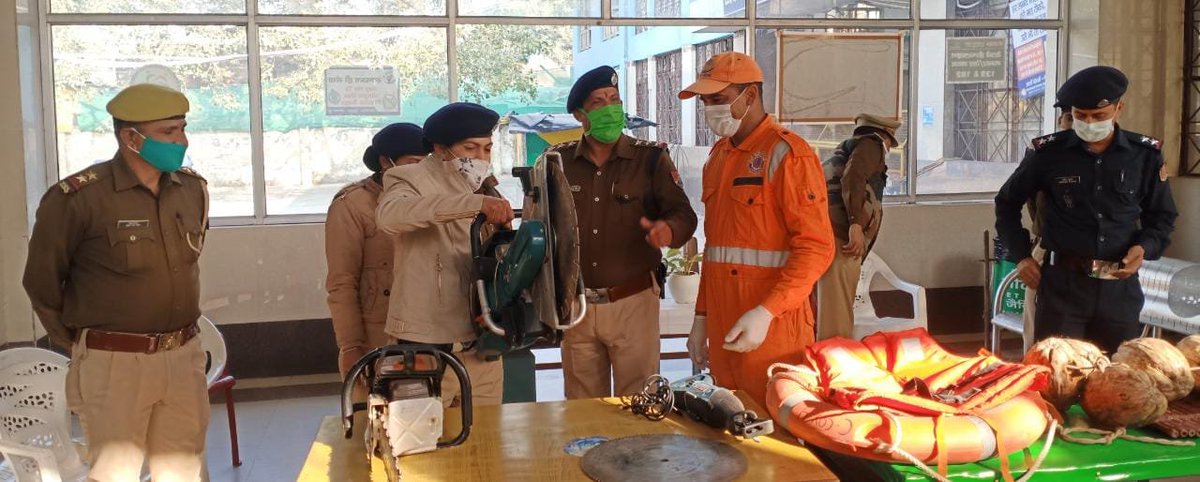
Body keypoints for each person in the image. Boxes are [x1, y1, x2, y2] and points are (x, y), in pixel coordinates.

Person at [23, 83, 210, 481]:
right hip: (115, 364)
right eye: (168, 132)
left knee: (184, 470)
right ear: (130, 137)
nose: (182, 140)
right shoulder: (78, 198)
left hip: (183, 356)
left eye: (182, 128)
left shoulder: (191, 190)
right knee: (115, 472)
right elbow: (41, 282)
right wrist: (86, 343)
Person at [679, 52, 835, 406]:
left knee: (778, 432)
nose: (709, 109)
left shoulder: (789, 154)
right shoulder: (718, 157)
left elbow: (817, 248)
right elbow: (716, 250)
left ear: (749, 96)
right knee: (730, 423)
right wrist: (701, 318)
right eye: (705, 101)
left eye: (717, 99)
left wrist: (766, 312)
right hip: (724, 326)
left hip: (775, 328)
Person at [995, 66, 1178, 355]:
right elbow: (1006, 203)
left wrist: (1144, 247)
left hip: (1119, 287)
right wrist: (1021, 256)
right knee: (1056, 378)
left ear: (1119, 109)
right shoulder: (1050, 154)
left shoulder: (1144, 155)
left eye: (1098, 116)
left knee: (1118, 380)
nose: (1089, 123)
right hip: (1062, 287)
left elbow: (1162, 216)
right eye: (1080, 116)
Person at [545, 66, 698, 399]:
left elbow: (684, 215)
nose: (610, 108)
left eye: (615, 99)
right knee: (584, 407)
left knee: (640, 400)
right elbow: (539, 227)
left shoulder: (651, 159)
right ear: (580, 115)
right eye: (599, 102)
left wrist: (668, 231)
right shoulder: (557, 162)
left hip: (633, 302)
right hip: (578, 305)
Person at [376, 103, 513, 407]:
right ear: (440, 148)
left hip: (483, 344)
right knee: (421, 444)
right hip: (426, 345)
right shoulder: (408, 178)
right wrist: (471, 205)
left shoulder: (488, 188)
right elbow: (391, 216)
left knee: (486, 442)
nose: (481, 158)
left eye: (487, 149)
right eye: (470, 148)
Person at [326, 123, 430, 377]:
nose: (421, 171)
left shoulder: (433, 199)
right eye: (413, 161)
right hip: (378, 336)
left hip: (428, 330)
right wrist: (351, 345)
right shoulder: (352, 206)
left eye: (427, 163)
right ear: (386, 162)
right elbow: (342, 282)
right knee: (378, 413)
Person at [816, 113, 900, 341]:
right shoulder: (872, 145)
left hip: (826, 234)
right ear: (887, 137)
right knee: (836, 316)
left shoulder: (846, 148)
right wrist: (856, 224)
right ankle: (835, 366)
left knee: (825, 311)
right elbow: (854, 177)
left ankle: (823, 363)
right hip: (841, 239)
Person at [1017, 105, 1074, 352]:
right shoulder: (1044, 153)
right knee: (1039, 333)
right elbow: (1023, 199)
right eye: (1072, 117)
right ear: (1061, 120)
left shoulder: (1122, 153)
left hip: (1098, 263)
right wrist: (1042, 230)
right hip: (1049, 249)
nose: (1081, 124)